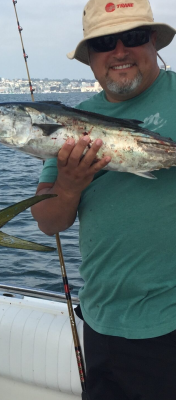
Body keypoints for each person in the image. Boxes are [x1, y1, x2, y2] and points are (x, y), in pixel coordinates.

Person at [31, 0, 176, 398]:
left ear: (153, 43)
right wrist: (71, 184)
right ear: (90, 58)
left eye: (132, 37)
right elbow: (48, 221)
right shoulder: (70, 122)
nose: (119, 52)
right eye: (103, 43)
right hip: (105, 323)